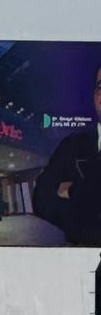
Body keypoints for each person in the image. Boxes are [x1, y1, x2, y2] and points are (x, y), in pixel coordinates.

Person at [32, 68, 101, 245]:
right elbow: (41, 198)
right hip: (82, 254)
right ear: (95, 97)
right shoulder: (72, 145)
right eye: (100, 87)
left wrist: (73, 191)